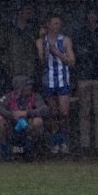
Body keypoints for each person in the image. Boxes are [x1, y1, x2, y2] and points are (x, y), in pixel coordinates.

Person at [73, 8, 98, 156]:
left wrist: (92, 52)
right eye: (90, 13)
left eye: (94, 13)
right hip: (84, 76)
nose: (92, 16)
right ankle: (85, 145)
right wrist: (97, 51)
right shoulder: (80, 32)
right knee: (84, 112)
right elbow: (78, 53)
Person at [37, 12, 76, 155]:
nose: (57, 26)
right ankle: (55, 142)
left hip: (62, 80)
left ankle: (64, 141)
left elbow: (72, 61)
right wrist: (44, 42)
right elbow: (42, 59)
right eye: (54, 23)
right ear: (48, 25)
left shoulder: (65, 40)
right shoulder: (41, 41)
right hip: (49, 81)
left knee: (64, 112)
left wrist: (58, 52)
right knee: (53, 113)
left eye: (59, 24)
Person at [0, 75, 48, 161]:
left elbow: (44, 109)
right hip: (11, 128)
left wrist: (27, 113)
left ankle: (29, 149)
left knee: (38, 121)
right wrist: (11, 115)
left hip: (27, 128)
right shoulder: (9, 97)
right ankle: (5, 151)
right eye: (26, 85)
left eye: (30, 85)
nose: (29, 87)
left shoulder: (35, 96)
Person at [1, 1, 40, 82]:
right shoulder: (8, 30)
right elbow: (3, 48)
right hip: (13, 70)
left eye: (31, 10)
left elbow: (36, 49)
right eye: (27, 9)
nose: (29, 12)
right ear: (20, 12)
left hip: (29, 70)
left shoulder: (33, 30)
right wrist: (7, 64)